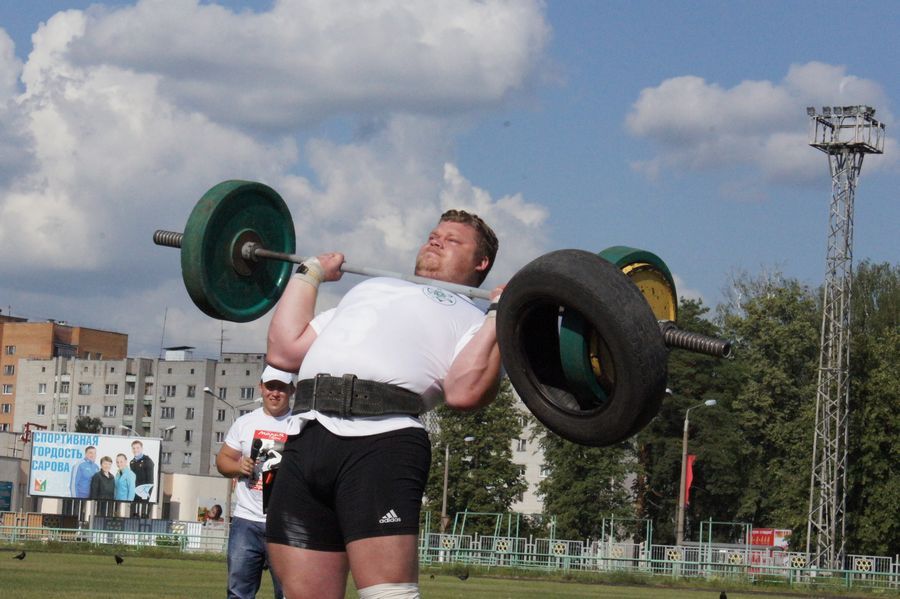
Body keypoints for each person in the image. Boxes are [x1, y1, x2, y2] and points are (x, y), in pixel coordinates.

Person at [265, 209, 503, 599]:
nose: (436, 241)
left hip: (382, 443)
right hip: (306, 436)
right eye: (434, 235)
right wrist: (310, 273)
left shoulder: (474, 319)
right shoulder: (371, 289)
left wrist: (500, 315)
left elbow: (465, 393)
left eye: (452, 240)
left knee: (389, 596)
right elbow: (284, 350)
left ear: (481, 262)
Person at [216, 365, 295, 599]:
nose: (275, 393)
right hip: (246, 521)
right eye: (270, 386)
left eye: (281, 388)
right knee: (238, 593)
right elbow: (223, 460)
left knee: (289, 593)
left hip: (286, 523)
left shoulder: (301, 424)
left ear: (292, 390)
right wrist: (238, 467)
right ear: (260, 387)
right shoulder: (245, 423)